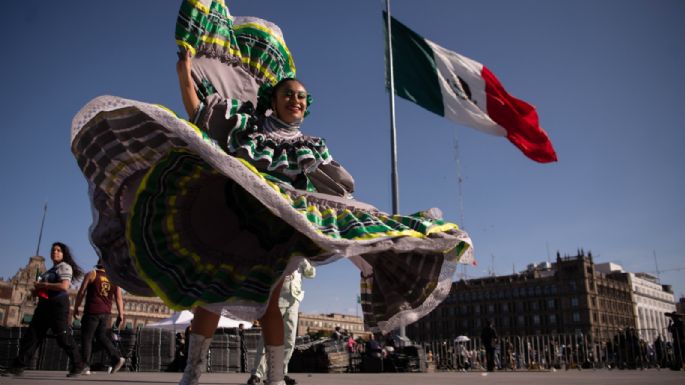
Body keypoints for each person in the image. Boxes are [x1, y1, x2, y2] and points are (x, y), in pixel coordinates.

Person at [70, 1, 472, 385]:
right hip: (232, 218)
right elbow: (201, 114)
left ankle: (275, 376)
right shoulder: (249, 128)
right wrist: (184, 71)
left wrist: (355, 220)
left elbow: (333, 188)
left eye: (301, 97)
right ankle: (192, 373)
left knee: (270, 301)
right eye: (288, 95)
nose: (295, 100)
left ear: (305, 105)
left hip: (277, 230)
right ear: (273, 101)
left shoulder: (312, 146)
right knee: (210, 297)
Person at [1, 242, 87, 377]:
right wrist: (36, 290)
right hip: (44, 305)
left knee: (63, 337)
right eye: (53, 250)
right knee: (33, 335)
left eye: (58, 250)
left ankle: (79, 364)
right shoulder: (48, 271)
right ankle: (18, 367)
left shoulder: (65, 267)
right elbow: (42, 289)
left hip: (58, 304)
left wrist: (44, 285)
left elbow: (64, 286)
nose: (55, 252)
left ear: (63, 254)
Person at [248, 260, 316, 385]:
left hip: (294, 298)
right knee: (267, 337)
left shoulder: (304, 254)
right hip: (277, 295)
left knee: (290, 338)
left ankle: (280, 373)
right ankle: (256, 373)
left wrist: (305, 263)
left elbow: (312, 274)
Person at [73, 260, 126, 374]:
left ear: (98, 263)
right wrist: (121, 314)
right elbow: (118, 297)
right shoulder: (114, 278)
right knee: (101, 336)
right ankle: (117, 357)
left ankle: (85, 365)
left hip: (92, 311)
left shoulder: (92, 274)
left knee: (87, 337)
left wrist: (76, 307)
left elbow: (81, 291)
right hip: (106, 313)